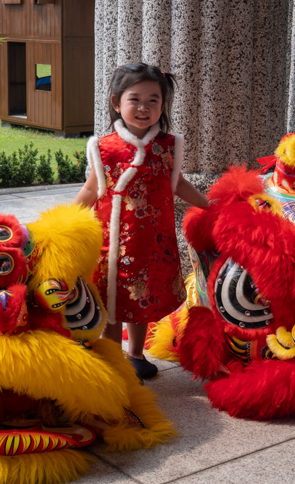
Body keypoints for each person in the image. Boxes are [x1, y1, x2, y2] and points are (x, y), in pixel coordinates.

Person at [75, 63, 210, 379]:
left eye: (154, 100)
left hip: (152, 242)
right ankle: (112, 354)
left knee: (143, 298)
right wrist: (66, 219)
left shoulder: (167, 145)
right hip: (113, 242)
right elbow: (92, 188)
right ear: (116, 102)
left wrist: (209, 206)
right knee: (112, 298)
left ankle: (135, 354)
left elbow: (178, 185)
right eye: (134, 99)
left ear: (163, 106)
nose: (143, 107)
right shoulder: (104, 147)